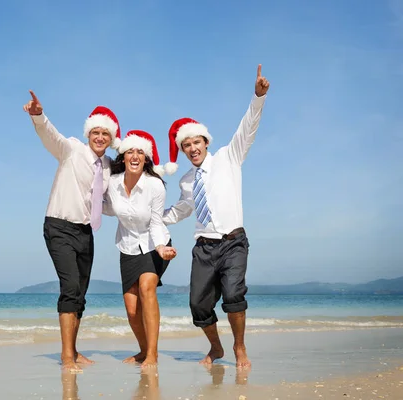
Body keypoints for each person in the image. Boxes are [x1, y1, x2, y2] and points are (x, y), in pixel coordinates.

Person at [161, 65, 270, 369]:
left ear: (206, 142)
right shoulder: (186, 180)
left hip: (234, 241)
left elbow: (247, 128)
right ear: (183, 150)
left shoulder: (228, 157)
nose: (192, 148)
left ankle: (239, 347)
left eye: (196, 142)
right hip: (204, 247)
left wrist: (257, 98)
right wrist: (156, 217)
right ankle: (216, 347)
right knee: (198, 304)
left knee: (234, 295)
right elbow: (182, 209)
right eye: (186, 145)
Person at [23, 90, 121, 372]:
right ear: (89, 133)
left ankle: (74, 351)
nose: (100, 137)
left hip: (85, 232)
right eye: (96, 132)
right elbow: (50, 135)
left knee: (80, 293)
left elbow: (109, 202)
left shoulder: (107, 166)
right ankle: (67, 357)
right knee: (69, 288)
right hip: (59, 226)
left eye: (106, 134)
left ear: (111, 138)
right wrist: (38, 115)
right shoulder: (72, 149)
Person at [102, 129, 177, 368]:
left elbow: (156, 222)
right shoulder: (113, 183)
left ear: (146, 159)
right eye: (130, 151)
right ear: (122, 157)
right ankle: (144, 351)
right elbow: (105, 207)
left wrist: (161, 247)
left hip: (155, 244)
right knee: (132, 310)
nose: (135, 156)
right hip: (127, 247)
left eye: (140, 152)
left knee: (147, 288)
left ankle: (153, 355)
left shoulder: (155, 186)